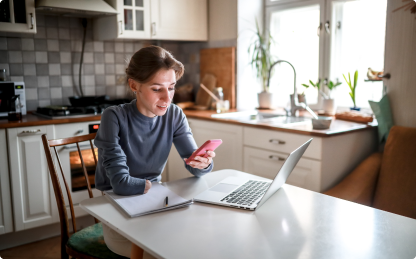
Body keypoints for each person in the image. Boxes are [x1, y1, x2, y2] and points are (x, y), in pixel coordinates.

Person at [94, 45, 216, 258]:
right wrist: (151, 185)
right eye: (157, 88)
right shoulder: (113, 117)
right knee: (165, 251)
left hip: (155, 204)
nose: (167, 98)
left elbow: (194, 165)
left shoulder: (174, 115)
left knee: (200, 240)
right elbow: (121, 184)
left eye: (171, 87)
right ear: (134, 85)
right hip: (115, 208)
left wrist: (203, 164)